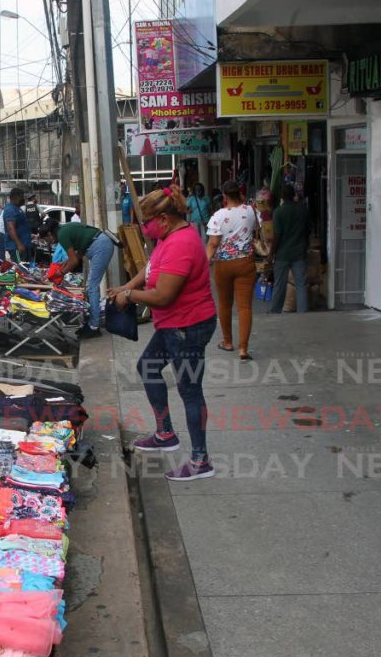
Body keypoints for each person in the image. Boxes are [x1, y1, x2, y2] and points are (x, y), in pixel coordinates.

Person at [107, 185, 218, 482]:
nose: (143, 228)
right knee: (148, 366)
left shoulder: (182, 243)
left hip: (188, 327)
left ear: (164, 219)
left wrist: (129, 298)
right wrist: (126, 286)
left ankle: (200, 461)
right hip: (173, 325)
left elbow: (163, 295)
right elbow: (151, 269)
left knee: (190, 390)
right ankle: (166, 433)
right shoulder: (167, 238)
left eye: (146, 223)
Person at [206, 179, 259, 360]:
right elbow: (256, 230)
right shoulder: (251, 211)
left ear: (225, 196)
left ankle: (228, 342)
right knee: (245, 306)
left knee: (225, 303)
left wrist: (204, 262)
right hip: (246, 262)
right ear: (240, 193)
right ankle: (243, 349)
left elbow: (213, 243)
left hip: (223, 264)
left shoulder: (218, 215)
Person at [39, 219, 116, 339]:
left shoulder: (62, 235)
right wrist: (65, 263)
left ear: (49, 234)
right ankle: (92, 322)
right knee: (91, 286)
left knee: (92, 286)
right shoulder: (64, 230)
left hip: (101, 246)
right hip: (100, 243)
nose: (47, 242)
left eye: (45, 239)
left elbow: (74, 261)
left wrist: (61, 273)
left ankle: (93, 326)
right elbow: (79, 252)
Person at [268, 183, 310, 313]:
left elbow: (277, 235)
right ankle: (303, 312)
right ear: (293, 195)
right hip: (299, 252)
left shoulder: (278, 212)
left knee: (279, 285)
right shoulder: (303, 209)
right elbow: (308, 230)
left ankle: (275, 311)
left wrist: (271, 253)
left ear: (282, 196)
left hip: (282, 254)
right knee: (301, 285)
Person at [3, 187, 33, 262]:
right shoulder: (10, 210)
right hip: (16, 247)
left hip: (24, 244)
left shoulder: (17, 208)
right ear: (15, 197)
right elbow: (11, 228)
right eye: (21, 197)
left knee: (26, 269)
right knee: (20, 269)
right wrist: (19, 244)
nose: (23, 199)